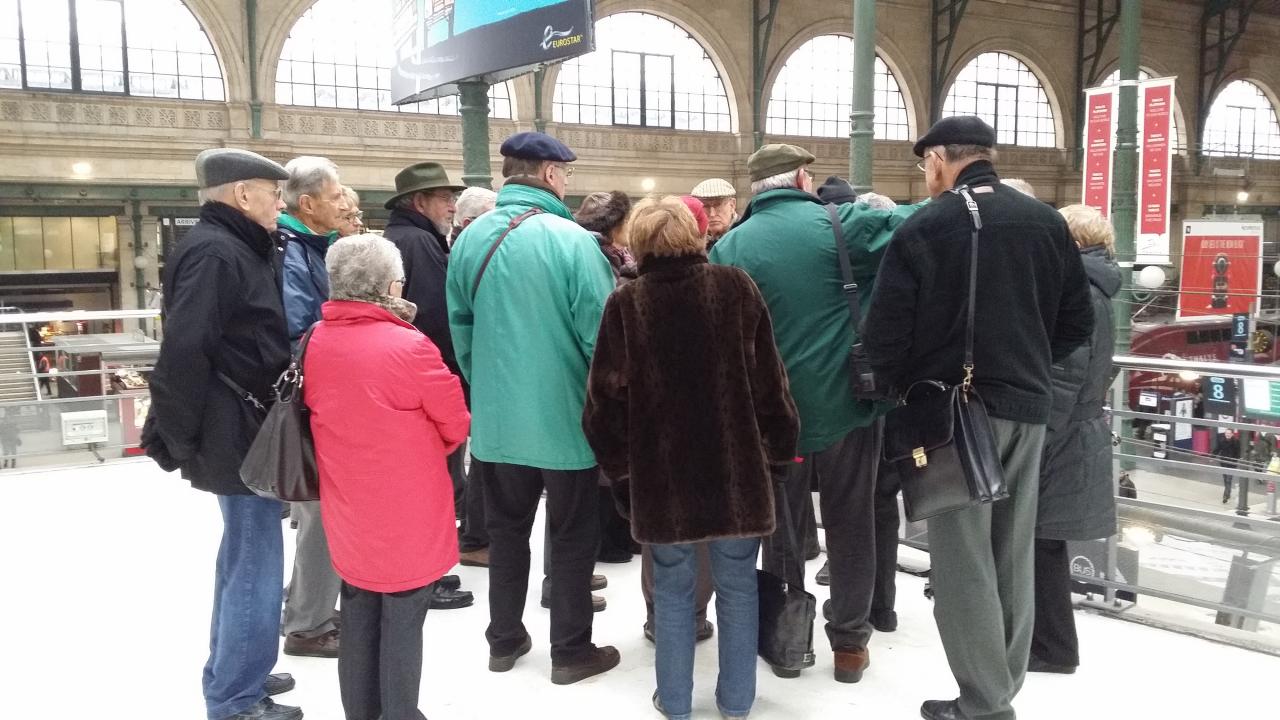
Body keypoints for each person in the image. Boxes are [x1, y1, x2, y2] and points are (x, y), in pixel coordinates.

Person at [862, 116, 1093, 720]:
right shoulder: (1047, 221)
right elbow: (1077, 325)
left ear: (939, 158)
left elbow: (884, 332)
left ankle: (985, 703)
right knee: (1012, 552)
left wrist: (892, 389)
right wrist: (1027, 362)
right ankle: (1000, 686)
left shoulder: (928, 225)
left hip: (958, 413)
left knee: (962, 556)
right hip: (1030, 408)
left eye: (924, 164)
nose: (926, 174)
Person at [710, 143, 920, 684]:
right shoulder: (842, 224)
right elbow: (920, 225)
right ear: (803, 178)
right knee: (853, 521)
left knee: (782, 528)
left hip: (771, 417)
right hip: (847, 405)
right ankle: (849, 642)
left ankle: (787, 639)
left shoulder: (728, 247)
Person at [583, 196, 799, 720]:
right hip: (737, 477)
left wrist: (624, 477)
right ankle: (737, 703)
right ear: (693, 236)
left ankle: (675, 703)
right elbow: (772, 387)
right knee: (739, 590)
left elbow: (601, 408)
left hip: (664, 485)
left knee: (675, 595)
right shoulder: (736, 289)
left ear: (640, 243)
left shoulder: (627, 305)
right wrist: (777, 458)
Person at [446, 131, 620, 684]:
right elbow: (600, 339)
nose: (567, 183)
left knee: (505, 533)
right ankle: (570, 651)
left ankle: (504, 640)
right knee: (571, 536)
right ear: (548, 175)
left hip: (497, 423)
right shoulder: (573, 242)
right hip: (566, 422)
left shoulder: (470, 240)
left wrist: (489, 392)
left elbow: (462, 333)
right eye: (565, 174)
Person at [141, 148, 301, 720]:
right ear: (241, 194)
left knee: (243, 557)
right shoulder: (216, 253)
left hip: (245, 426)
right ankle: (235, 698)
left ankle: (240, 668)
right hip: (236, 432)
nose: (280, 203)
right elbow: (185, 350)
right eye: (273, 192)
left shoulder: (237, 247)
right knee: (256, 561)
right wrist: (177, 438)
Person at [304, 233, 470, 720]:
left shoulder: (315, 340)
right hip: (407, 508)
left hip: (346, 502)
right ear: (393, 285)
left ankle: (361, 711)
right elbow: (455, 423)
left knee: (357, 608)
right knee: (403, 614)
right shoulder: (410, 346)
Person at [382, 162, 487, 608]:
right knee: (437, 479)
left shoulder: (402, 238)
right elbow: (435, 318)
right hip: (427, 378)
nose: (451, 205)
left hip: (403, 379)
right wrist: (458, 372)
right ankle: (432, 575)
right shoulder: (420, 242)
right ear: (418, 202)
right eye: (444, 197)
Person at [1032, 203, 1121, 676]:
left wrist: (1036, 431)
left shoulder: (1080, 291)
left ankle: (1052, 649)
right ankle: (1047, 644)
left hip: (1060, 436)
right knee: (1043, 544)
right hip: (1075, 431)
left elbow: (1066, 372)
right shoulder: (1096, 287)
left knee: (1041, 544)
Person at [277, 155, 348, 660]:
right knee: (318, 513)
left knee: (315, 513)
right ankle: (308, 624)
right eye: (336, 193)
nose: (344, 201)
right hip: (308, 403)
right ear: (308, 203)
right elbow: (301, 329)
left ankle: (306, 605)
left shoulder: (307, 246)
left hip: (312, 399)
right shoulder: (292, 251)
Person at [574, 190, 637, 567]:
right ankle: (610, 541)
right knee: (606, 457)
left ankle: (614, 539)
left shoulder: (608, 255)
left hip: (596, 367)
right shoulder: (602, 259)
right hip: (599, 366)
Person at [690, 178, 737, 251]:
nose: (712, 214)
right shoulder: (692, 239)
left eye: (718, 205)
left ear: (732, 205)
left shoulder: (744, 236)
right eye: (705, 206)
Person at [1215, 429, 1242, 504]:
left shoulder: (1236, 441)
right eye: (1226, 433)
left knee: (1228, 480)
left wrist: (1237, 459)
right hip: (1223, 463)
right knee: (1225, 479)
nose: (1227, 434)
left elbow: (1238, 452)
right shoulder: (1221, 440)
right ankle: (1228, 493)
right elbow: (1217, 449)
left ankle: (1225, 496)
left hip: (1232, 464)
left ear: (1232, 434)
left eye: (1229, 433)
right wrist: (1212, 456)